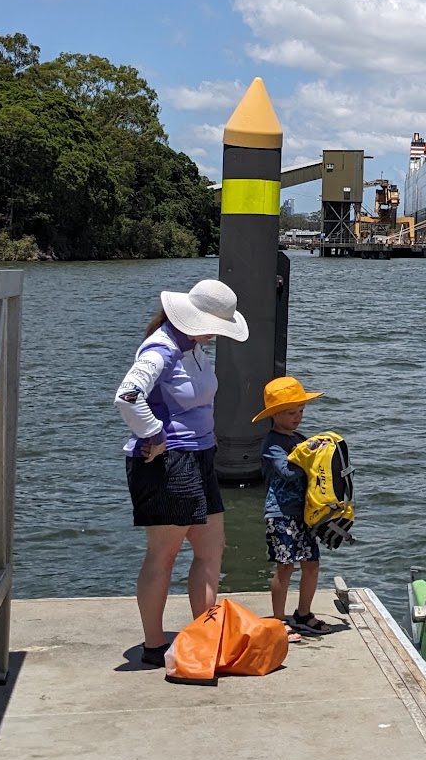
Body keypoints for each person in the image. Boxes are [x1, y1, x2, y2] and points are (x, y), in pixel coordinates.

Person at [114, 278, 248, 666]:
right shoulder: (162, 347)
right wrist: (154, 434)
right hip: (169, 461)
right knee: (164, 555)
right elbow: (127, 396)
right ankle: (154, 644)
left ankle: (204, 634)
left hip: (200, 455)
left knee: (211, 549)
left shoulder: (192, 346)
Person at [254, 374, 328, 635]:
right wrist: (309, 455)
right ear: (274, 415)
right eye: (289, 413)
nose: (297, 417)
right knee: (285, 566)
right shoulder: (272, 444)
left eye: (300, 411)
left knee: (312, 564)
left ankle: (304, 613)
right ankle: (277, 621)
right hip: (281, 513)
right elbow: (287, 472)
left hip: (305, 513)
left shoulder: (299, 437)